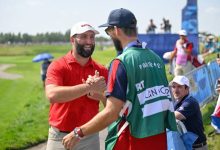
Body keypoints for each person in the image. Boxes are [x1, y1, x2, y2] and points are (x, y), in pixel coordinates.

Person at [62, 8, 177, 150]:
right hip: (158, 139)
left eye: (108, 32)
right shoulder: (155, 58)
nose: (109, 36)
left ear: (116, 30)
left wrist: (78, 132)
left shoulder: (121, 62)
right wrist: (104, 94)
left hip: (132, 140)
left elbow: (112, 113)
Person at [45, 21, 108, 150]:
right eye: (84, 37)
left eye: (92, 37)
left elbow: (112, 108)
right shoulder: (58, 66)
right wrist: (89, 87)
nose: (89, 41)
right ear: (72, 40)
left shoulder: (101, 70)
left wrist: (101, 96)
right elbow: (52, 95)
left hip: (90, 136)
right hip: (60, 138)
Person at [170, 75, 208, 150]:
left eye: (179, 87)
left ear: (187, 89)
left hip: (198, 147)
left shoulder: (190, 102)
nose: (175, 90)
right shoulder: (177, 103)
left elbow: (173, 116)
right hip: (187, 146)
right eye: (173, 87)